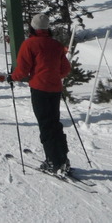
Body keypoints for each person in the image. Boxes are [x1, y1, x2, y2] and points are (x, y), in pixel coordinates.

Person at [8, 13, 72, 176]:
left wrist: (12, 77)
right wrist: (54, 76)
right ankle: (63, 158)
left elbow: (22, 69)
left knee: (45, 125)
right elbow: (65, 69)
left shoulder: (29, 44)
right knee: (55, 123)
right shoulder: (56, 45)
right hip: (55, 88)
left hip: (39, 88)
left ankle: (54, 161)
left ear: (33, 27)